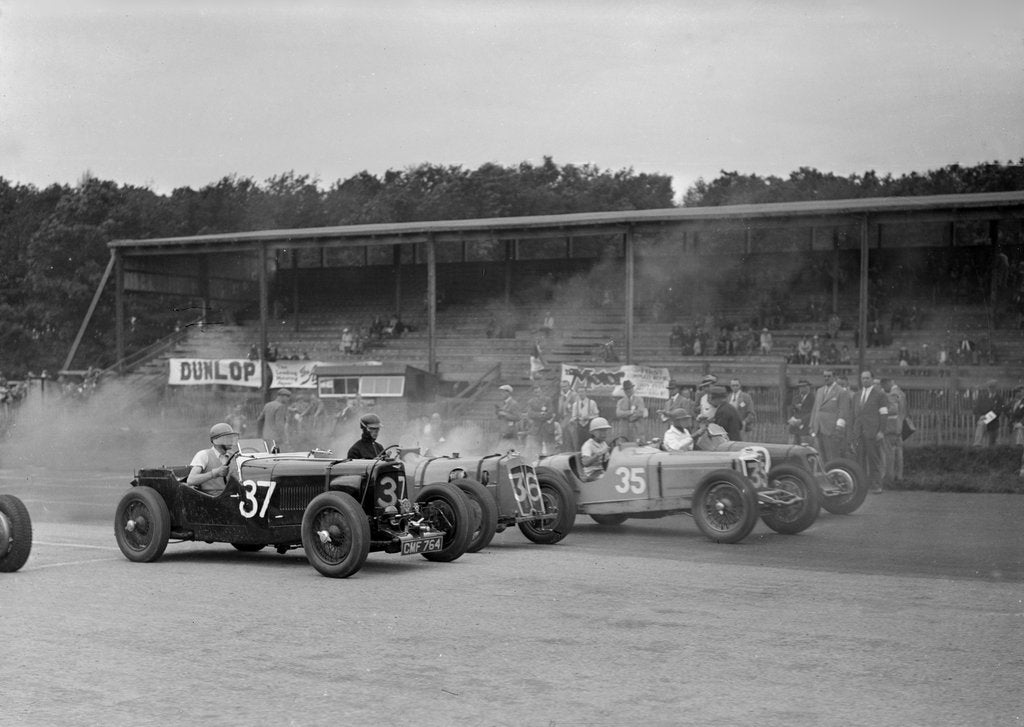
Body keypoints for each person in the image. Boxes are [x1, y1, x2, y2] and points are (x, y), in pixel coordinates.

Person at [853, 370, 889, 494]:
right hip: (859, 432)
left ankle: (877, 485)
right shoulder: (857, 395)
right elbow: (856, 415)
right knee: (859, 460)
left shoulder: (880, 395)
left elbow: (884, 414)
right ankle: (862, 485)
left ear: (872, 379)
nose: (865, 380)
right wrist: (854, 432)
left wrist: (881, 431)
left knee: (874, 459)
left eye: (867, 378)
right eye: (863, 378)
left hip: (872, 432)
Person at [808, 369, 851, 462]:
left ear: (834, 377)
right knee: (820, 456)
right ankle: (824, 475)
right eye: (825, 376)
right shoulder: (819, 390)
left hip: (831, 429)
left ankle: (834, 474)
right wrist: (811, 425)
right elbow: (815, 409)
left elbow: (843, 411)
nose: (826, 378)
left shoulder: (841, 392)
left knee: (832, 456)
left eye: (829, 376)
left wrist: (839, 429)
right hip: (818, 428)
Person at [186, 422, 239, 495]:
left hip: (234, 497)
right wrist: (214, 473)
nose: (231, 440)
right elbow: (191, 480)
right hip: (211, 500)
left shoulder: (235, 456)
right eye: (227, 438)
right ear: (217, 440)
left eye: (231, 437)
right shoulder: (203, 455)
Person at [972, 379, 1003, 447]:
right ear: (987, 387)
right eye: (990, 387)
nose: (991, 389)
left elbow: (998, 411)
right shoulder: (982, 396)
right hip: (982, 419)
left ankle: (978, 443)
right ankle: (977, 443)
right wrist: (980, 416)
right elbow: (976, 409)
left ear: (996, 388)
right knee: (981, 423)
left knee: (991, 444)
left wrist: (986, 417)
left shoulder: (999, 398)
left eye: (993, 387)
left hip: (993, 422)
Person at [571, 385, 600, 450]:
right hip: (580, 428)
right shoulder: (575, 404)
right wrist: (576, 418)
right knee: (580, 444)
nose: (581, 394)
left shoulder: (592, 403)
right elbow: (573, 417)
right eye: (579, 392)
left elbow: (597, 415)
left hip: (589, 427)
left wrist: (589, 417)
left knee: (590, 443)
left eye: (582, 392)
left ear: (586, 392)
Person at [787, 379, 815, 445]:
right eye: (800, 387)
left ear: (808, 387)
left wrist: (802, 420)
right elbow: (791, 409)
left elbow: (813, 412)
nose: (801, 388)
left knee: (805, 445)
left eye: (803, 386)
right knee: (792, 445)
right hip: (794, 426)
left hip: (805, 425)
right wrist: (790, 418)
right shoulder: (796, 397)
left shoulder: (813, 398)